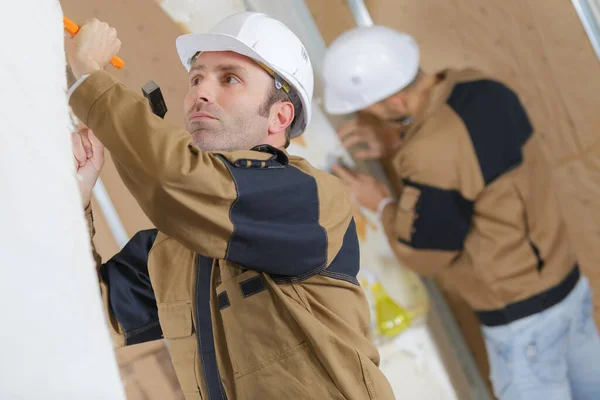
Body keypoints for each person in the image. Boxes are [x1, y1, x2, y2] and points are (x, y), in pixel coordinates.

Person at [67, 12, 395, 400]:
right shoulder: (173, 247)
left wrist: (90, 75)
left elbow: (175, 178)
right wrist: (77, 200)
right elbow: (88, 316)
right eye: (196, 78)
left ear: (280, 115)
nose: (200, 93)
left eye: (230, 78)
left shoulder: (307, 198)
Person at [323, 25, 600, 400]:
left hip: (524, 322)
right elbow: (474, 167)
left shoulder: (431, 151)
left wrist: (383, 203)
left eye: (367, 109)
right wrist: (400, 140)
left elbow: (427, 252)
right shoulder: (480, 87)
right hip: (569, 289)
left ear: (390, 102)